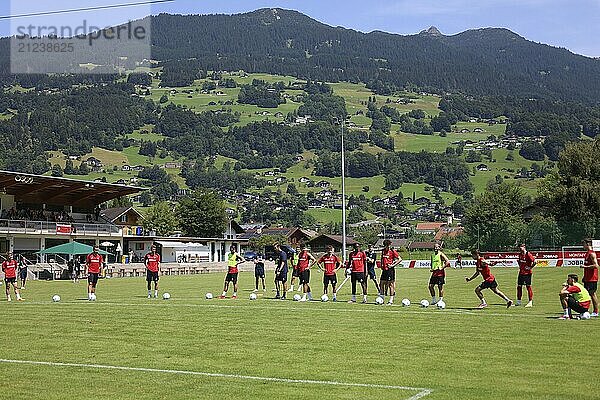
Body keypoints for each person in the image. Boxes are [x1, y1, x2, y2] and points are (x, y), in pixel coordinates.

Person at [379, 239, 401, 305]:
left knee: (390, 285)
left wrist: (392, 265)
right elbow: (382, 259)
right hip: (384, 270)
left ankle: (391, 300)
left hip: (390, 270)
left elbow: (400, 259)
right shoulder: (383, 251)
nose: (387, 247)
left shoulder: (392, 251)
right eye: (386, 246)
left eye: (388, 245)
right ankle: (382, 299)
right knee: (381, 283)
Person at [581, 239, 599, 317]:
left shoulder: (592, 254)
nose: (583, 246)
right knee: (587, 294)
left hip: (592, 278)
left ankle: (595, 311)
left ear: (588, 244)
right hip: (587, 278)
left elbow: (596, 265)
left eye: (584, 244)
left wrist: (585, 266)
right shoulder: (587, 253)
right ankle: (587, 310)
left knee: (592, 294)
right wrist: (584, 277)